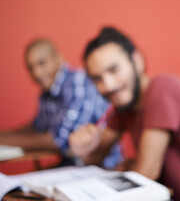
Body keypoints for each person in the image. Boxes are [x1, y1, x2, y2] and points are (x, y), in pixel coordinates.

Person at [69, 27, 180, 201]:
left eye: (114, 70)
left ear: (137, 61)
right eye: (97, 78)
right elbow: (96, 157)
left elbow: (146, 173)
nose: (108, 85)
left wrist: (127, 166)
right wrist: (82, 149)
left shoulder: (163, 88)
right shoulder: (123, 104)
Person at [0, 39, 121, 168]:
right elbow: (37, 127)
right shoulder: (47, 93)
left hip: (101, 167)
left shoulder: (77, 83)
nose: (37, 73)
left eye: (42, 63)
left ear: (58, 58)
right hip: (71, 165)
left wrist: (4, 140)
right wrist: (4, 135)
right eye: (30, 68)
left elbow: (60, 140)